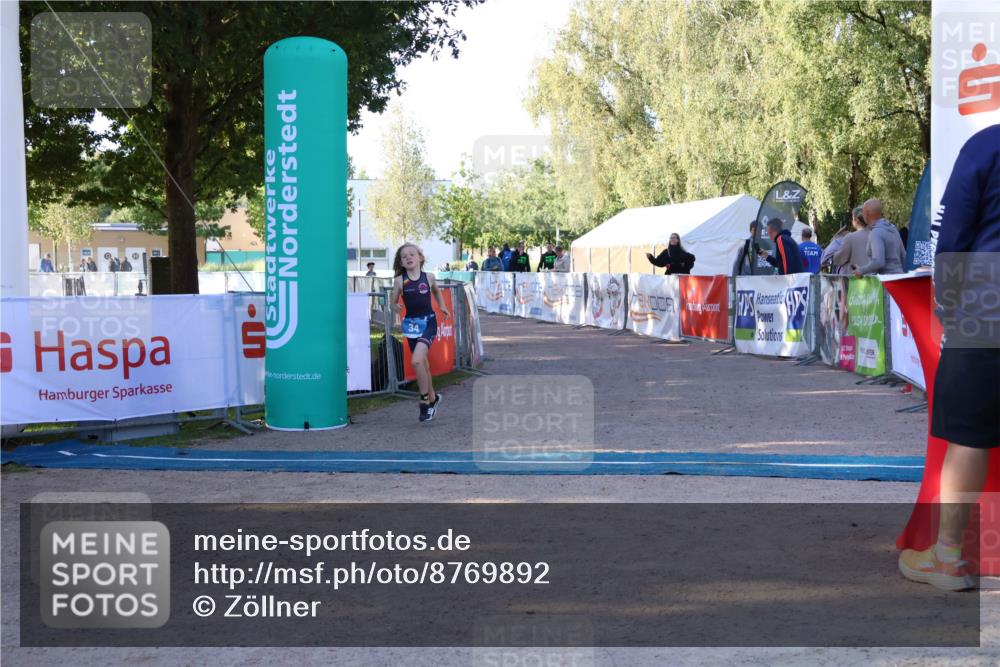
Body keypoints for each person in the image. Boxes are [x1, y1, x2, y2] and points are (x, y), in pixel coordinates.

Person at [898, 124, 1000, 591]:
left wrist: (947, 310)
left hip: (987, 301)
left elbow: (953, 233)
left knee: (967, 437)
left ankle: (947, 559)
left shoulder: (986, 144)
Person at [390, 243, 451, 423]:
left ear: (420, 258)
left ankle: (424, 402)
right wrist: (395, 306)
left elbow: (437, 292)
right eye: (404, 256)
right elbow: (392, 301)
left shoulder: (429, 277)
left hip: (428, 322)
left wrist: (442, 306)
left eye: (412, 254)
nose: (408, 258)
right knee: (423, 364)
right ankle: (433, 398)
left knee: (416, 361)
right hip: (411, 325)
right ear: (401, 262)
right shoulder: (400, 281)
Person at [853, 198, 906, 276]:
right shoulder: (893, 229)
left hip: (885, 283)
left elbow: (879, 262)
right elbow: (904, 256)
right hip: (899, 279)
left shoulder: (876, 233)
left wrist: (861, 270)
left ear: (867, 214)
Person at [832, 207, 870, 274]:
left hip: (856, 279)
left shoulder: (850, 237)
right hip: (875, 279)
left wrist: (834, 245)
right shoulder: (876, 235)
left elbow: (838, 260)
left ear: (855, 220)